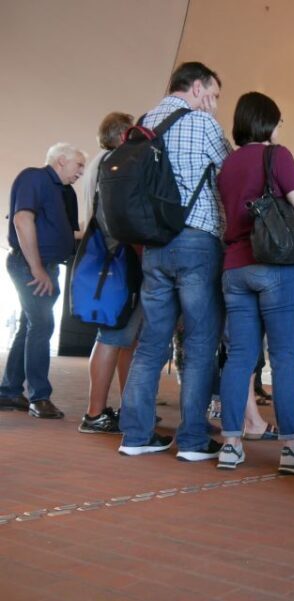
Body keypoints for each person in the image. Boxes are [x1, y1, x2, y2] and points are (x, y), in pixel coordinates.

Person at [118, 61, 231, 460]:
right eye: (214, 95)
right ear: (198, 87)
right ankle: (194, 441)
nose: (215, 105)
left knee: (151, 343)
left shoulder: (145, 122)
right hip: (197, 242)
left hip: (154, 246)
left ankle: (135, 434)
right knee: (200, 343)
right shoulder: (203, 125)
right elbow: (229, 178)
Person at [215, 91, 294, 472]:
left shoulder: (227, 165)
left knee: (239, 357)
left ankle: (230, 444)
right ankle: (292, 451)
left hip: (234, 267)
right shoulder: (278, 156)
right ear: (268, 122)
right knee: (284, 360)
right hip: (276, 268)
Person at [0, 143, 85, 418]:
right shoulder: (34, 177)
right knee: (42, 324)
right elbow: (22, 220)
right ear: (61, 160)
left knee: (30, 326)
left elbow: (70, 233)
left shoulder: (66, 193)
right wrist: (37, 269)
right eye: (79, 165)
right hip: (30, 266)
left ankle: (10, 391)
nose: (81, 172)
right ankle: (39, 397)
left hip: (49, 266)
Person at [79, 112, 145, 434]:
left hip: (109, 254)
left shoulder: (99, 162)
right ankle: (94, 414)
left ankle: (124, 406)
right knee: (113, 334)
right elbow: (116, 216)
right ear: (123, 136)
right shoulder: (112, 164)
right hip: (117, 255)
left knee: (122, 337)